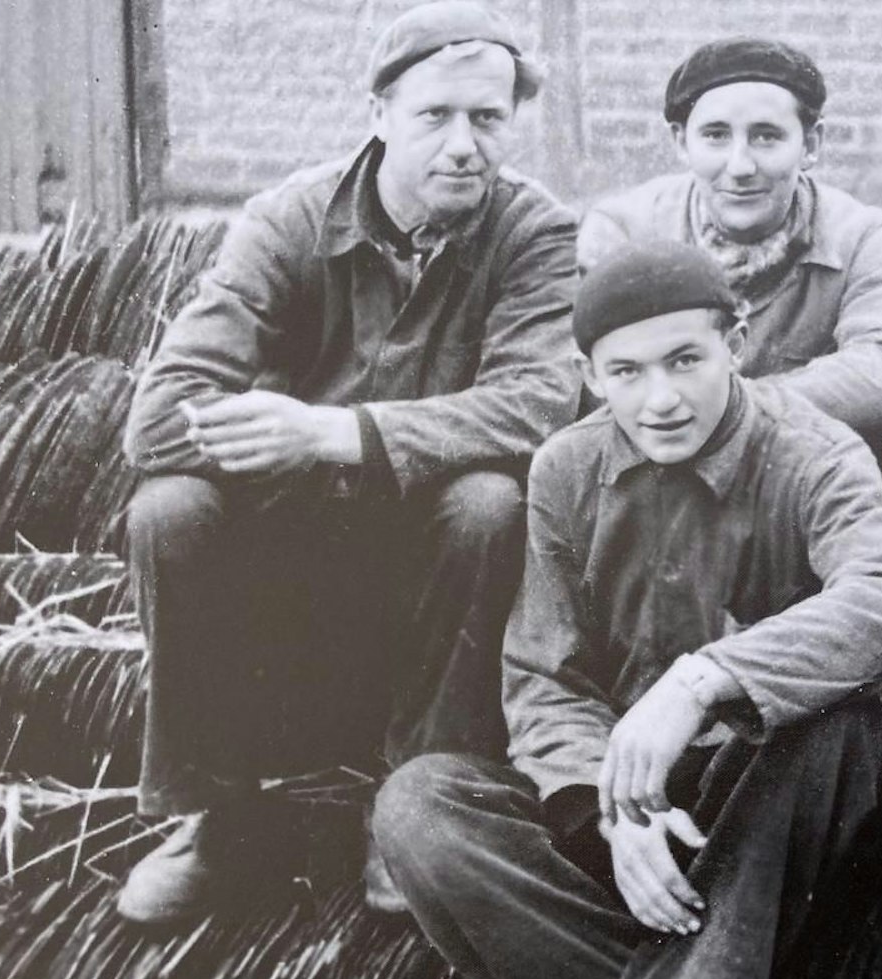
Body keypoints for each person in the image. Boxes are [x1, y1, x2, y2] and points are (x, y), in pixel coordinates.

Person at [373, 239, 882, 979]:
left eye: (686, 360)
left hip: (770, 817)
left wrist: (706, 678)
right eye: (626, 372)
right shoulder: (565, 466)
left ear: (738, 341)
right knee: (420, 803)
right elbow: (543, 673)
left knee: (845, 721)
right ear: (590, 374)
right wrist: (614, 808)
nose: (661, 398)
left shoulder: (816, 451)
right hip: (631, 814)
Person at [116, 0, 578, 924]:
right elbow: (158, 420)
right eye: (433, 116)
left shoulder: (535, 232)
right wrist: (286, 453)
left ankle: (411, 807)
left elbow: (542, 404)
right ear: (378, 115)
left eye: (487, 119)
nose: (463, 145)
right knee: (167, 509)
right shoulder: (287, 220)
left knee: (492, 501)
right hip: (289, 543)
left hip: (436, 545)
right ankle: (218, 812)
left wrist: (336, 432)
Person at [576, 37, 882, 444]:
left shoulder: (862, 238)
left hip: (809, 470)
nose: (740, 166)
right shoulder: (625, 231)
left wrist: (724, 408)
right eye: (715, 135)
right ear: (680, 142)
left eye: (766, 137)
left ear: (810, 144)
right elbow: (598, 386)